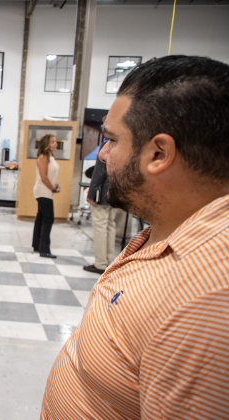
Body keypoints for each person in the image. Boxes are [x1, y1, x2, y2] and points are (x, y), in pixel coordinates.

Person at [41, 55, 229, 419]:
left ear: (158, 153)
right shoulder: (167, 236)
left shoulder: (206, 304)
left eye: (111, 139)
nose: (105, 154)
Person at [83, 130, 117, 275]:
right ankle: (109, 262)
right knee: (110, 226)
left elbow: (99, 171)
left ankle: (101, 263)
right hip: (114, 193)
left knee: (100, 227)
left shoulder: (107, 146)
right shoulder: (123, 146)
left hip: (101, 194)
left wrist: (91, 193)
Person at [32, 134, 60, 258]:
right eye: (52, 142)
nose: (56, 144)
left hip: (47, 191)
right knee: (48, 219)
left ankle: (37, 245)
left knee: (41, 217)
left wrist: (55, 185)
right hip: (43, 191)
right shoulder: (43, 157)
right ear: (46, 144)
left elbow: (50, 175)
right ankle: (44, 249)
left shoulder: (50, 157)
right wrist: (53, 188)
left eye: (55, 141)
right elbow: (43, 177)